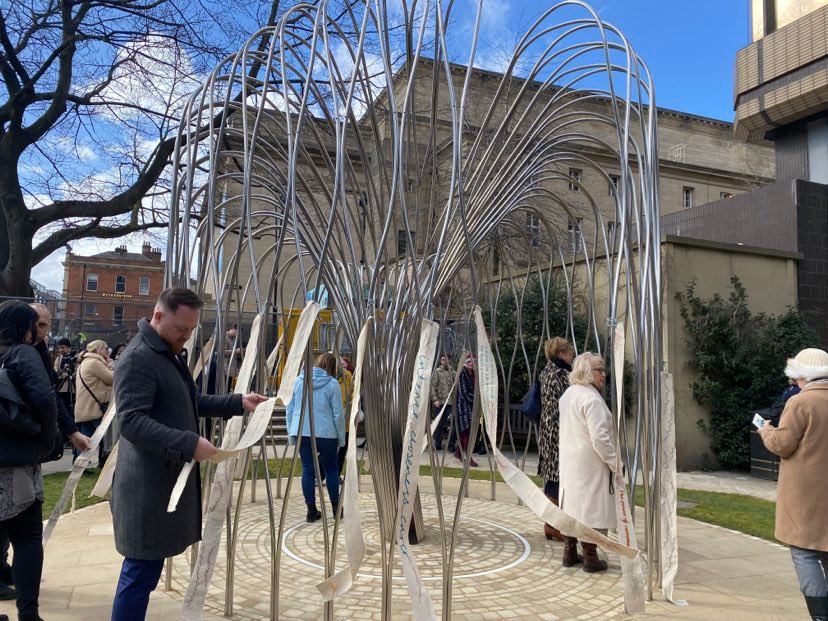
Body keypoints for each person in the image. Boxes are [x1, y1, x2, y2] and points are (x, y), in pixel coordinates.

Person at [109, 288, 267, 621]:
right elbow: (131, 422)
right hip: (147, 489)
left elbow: (189, 401)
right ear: (158, 316)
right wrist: (189, 443)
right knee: (139, 574)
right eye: (181, 329)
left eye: (191, 331)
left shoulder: (165, 352)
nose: (186, 337)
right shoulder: (139, 357)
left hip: (160, 484)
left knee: (144, 574)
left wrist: (237, 402)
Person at [759, 348, 828, 621]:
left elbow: (782, 445)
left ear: (801, 375)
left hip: (805, 492)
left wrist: (765, 428)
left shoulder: (801, 403)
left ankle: (821, 616)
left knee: (804, 551)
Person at [0, 300, 59, 621]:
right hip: (14, 465)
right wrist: (46, 439)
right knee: (26, 539)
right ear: (25, 328)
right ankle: (29, 614)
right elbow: (43, 398)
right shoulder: (23, 353)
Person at [558, 352, 616, 573]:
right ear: (586, 372)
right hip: (591, 463)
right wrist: (614, 461)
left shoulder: (569, 394)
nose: (603, 374)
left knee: (572, 508)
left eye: (603, 369)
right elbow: (600, 438)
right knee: (592, 510)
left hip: (571, 461)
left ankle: (569, 551)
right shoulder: (591, 399)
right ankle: (590, 557)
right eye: (599, 370)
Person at [286, 352, 345, 523]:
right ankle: (336, 509)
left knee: (308, 471)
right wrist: (341, 438)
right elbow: (338, 414)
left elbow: (290, 408)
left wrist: (292, 432)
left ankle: (311, 510)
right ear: (333, 367)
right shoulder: (333, 384)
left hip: (302, 432)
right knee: (332, 469)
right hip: (326, 433)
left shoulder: (298, 382)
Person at [538, 337, 575, 542]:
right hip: (559, 432)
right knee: (556, 479)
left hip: (548, 431)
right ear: (561, 353)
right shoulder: (561, 374)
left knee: (554, 477)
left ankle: (552, 524)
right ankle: (552, 525)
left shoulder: (546, 371)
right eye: (570, 354)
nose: (572, 358)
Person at [74, 340, 114, 465]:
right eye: (106, 348)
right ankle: (104, 462)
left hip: (85, 408)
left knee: (86, 437)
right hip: (95, 407)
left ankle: (80, 463)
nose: (108, 351)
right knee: (104, 436)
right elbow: (112, 378)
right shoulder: (95, 363)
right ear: (98, 350)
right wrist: (112, 365)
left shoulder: (85, 362)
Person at [453, 354, 477, 467]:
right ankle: (467, 457)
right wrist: (476, 398)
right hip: (463, 406)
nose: (471, 364)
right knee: (466, 430)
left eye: (473, 362)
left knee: (467, 431)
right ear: (465, 363)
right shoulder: (462, 373)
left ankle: (459, 453)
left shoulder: (474, 373)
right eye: (469, 362)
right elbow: (463, 392)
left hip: (472, 406)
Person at [431, 354, 453, 450]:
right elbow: (433, 387)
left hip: (450, 403)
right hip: (439, 403)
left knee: (452, 423)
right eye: (443, 359)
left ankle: (451, 445)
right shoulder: (437, 372)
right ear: (441, 361)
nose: (445, 361)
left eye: (447, 360)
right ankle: (438, 443)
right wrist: (435, 399)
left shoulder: (453, 372)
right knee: (439, 423)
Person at [336, 356, 353, 472]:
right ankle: (323, 475)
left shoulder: (347, 375)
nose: (343, 366)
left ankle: (336, 474)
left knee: (342, 449)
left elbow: (352, 391)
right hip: (336, 419)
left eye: (344, 363)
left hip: (343, 418)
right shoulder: (330, 377)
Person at [53, 336, 75, 413]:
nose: (60, 350)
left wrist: (69, 375)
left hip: (70, 388)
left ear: (68, 347)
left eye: (63, 347)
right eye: (59, 348)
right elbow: (55, 370)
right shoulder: (58, 358)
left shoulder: (74, 357)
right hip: (59, 386)